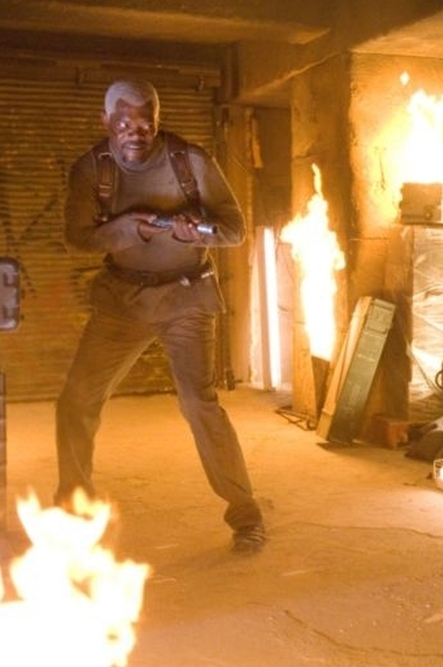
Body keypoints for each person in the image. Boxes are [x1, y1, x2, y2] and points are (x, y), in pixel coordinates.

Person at [57, 79, 266, 554]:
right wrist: (130, 229)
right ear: (105, 122)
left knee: (199, 403)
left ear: (157, 120)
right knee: (76, 400)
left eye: (145, 123)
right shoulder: (92, 169)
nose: (136, 133)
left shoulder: (190, 161)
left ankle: (245, 514)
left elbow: (234, 230)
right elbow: (76, 240)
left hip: (186, 299)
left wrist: (200, 233)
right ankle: (72, 511)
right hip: (122, 303)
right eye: (124, 123)